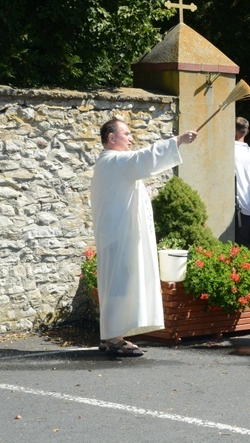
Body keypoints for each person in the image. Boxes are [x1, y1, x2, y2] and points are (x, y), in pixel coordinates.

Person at [90, 117, 198, 356]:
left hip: (116, 235)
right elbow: (144, 158)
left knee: (117, 284)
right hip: (118, 237)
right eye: (126, 134)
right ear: (111, 138)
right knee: (117, 285)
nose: (131, 139)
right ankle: (114, 338)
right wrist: (178, 140)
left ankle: (111, 336)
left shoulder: (111, 162)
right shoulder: (115, 160)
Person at [234, 117, 250, 250]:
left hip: (230, 203)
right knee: (243, 241)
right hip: (247, 202)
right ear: (247, 132)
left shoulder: (228, 151)